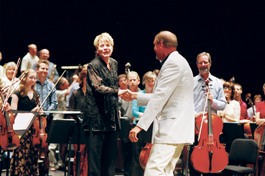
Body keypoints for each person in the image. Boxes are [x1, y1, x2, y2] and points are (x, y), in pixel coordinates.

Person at [126, 31, 194, 176]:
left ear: (160, 44)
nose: (154, 49)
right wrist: (135, 96)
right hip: (177, 129)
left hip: (172, 129)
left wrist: (139, 126)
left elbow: (160, 98)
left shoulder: (173, 63)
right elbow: (164, 96)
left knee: (153, 171)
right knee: (166, 171)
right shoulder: (178, 61)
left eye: (155, 45)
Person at [83, 32, 125, 176]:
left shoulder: (114, 63)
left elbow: (113, 85)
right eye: (102, 45)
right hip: (96, 118)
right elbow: (97, 87)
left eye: (108, 45)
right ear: (97, 48)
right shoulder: (93, 65)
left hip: (111, 118)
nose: (105, 48)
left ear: (112, 47)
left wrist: (117, 108)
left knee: (110, 160)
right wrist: (117, 92)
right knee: (95, 163)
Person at [191, 52, 226, 176]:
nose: (203, 64)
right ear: (197, 65)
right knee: (194, 160)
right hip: (194, 124)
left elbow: (223, 104)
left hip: (213, 128)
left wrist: (213, 101)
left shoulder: (217, 82)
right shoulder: (191, 82)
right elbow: (185, 103)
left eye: (205, 62)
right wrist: (194, 114)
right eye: (200, 62)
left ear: (210, 64)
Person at [9, 69, 41, 175]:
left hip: (33, 131)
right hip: (21, 131)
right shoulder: (16, 94)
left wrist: (39, 112)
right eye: (30, 77)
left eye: (34, 78)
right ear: (25, 78)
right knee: (22, 156)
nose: (33, 80)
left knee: (33, 156)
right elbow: (13, 113)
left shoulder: (36, 94)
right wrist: (31, 112)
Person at [34, 59, 58, 173]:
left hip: (47, 119)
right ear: (37, 69)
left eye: (46, 69)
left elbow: (55, 103)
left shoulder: (51, 85)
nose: (45, 71)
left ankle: (45, 170)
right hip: (33, 119)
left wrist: (46, 112)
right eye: (42, 68)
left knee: (46, 146)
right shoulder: (33, 83)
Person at [131, 71, 156, 176]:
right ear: (144, 82)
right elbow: (134, 112)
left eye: (152, 81)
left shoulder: (157, 95)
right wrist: (147, 115)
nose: (150, 83)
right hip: (140, 128)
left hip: (153, 128)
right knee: (137, 157)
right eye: (148, 81)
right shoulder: (140, 94)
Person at [119, 71, 141, 176]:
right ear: (127, 81)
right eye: (130, 80)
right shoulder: (123, 94)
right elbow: (119, 109)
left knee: (137, 155)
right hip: (126, 127)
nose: (132, 82)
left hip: (139, 127)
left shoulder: (142, 94)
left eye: (134, 80)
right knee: (126, 154)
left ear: (138, 81)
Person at [68, 68, 88, 176]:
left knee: (90, 158)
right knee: (79, 156)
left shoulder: (93, 95)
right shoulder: (75, 94)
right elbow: (71, 112)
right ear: (83, 79)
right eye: (87, 78)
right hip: (78, 129)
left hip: (91, 129)